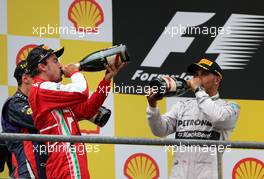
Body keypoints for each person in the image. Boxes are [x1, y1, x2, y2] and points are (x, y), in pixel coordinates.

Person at [26, 44, 124, 179]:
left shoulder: (51, 94)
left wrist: (106, 80)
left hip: (69, 162)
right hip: (66, 163)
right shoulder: (41, 88)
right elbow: (81, 91)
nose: (60, 65)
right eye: (55, 61)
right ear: (42, 66)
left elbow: (88, 110)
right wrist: (75, 71)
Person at [146, 58, 240, 179]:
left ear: (217, 79)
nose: (198, 79)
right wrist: (152, 107)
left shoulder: (229, 107)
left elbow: (217, 118)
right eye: (196, 75)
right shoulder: (183, 106)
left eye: (204, 74)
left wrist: (198, 90)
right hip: (178, 175)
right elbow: (159, 131)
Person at [1, 60, 47, 178]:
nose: (43, 80)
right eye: (37, 76)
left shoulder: (38, 103)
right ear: (26, 78)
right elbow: (39, 120)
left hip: (44, 171)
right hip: (26, 173)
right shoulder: (13, 104)